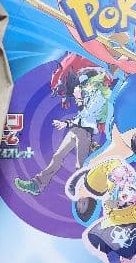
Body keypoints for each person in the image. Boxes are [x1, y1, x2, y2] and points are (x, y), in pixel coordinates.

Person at [14, 68, 111, 196]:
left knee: (80, 165)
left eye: (85, 84)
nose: (83, 87)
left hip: (85, 133)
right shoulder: (88, 95)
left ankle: (84, 192)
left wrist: (79, 99)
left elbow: (86, 114)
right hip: (75, 130)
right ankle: (37, 184)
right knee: (57, 156)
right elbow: (80, 118)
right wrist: (65, 123)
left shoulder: (100, 98)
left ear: (93, 82)